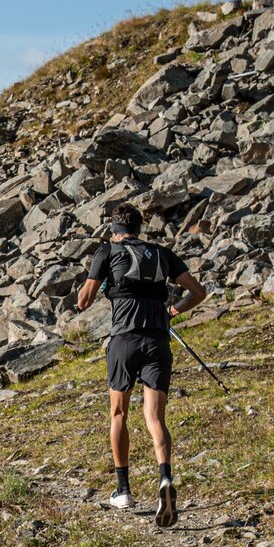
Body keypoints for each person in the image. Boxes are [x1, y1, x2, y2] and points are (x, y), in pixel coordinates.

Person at [75, 203, 206, 528]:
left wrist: (99, 283)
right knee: (154, 416)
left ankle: (123, 489)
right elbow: (198, 292)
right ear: (139, 227)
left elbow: (83, 301)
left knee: (119, 413)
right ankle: (165, 478)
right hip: (157, 340)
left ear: (114, 229)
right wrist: (172, 311)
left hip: (124, 341)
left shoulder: (108, 251)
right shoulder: (162, 254)